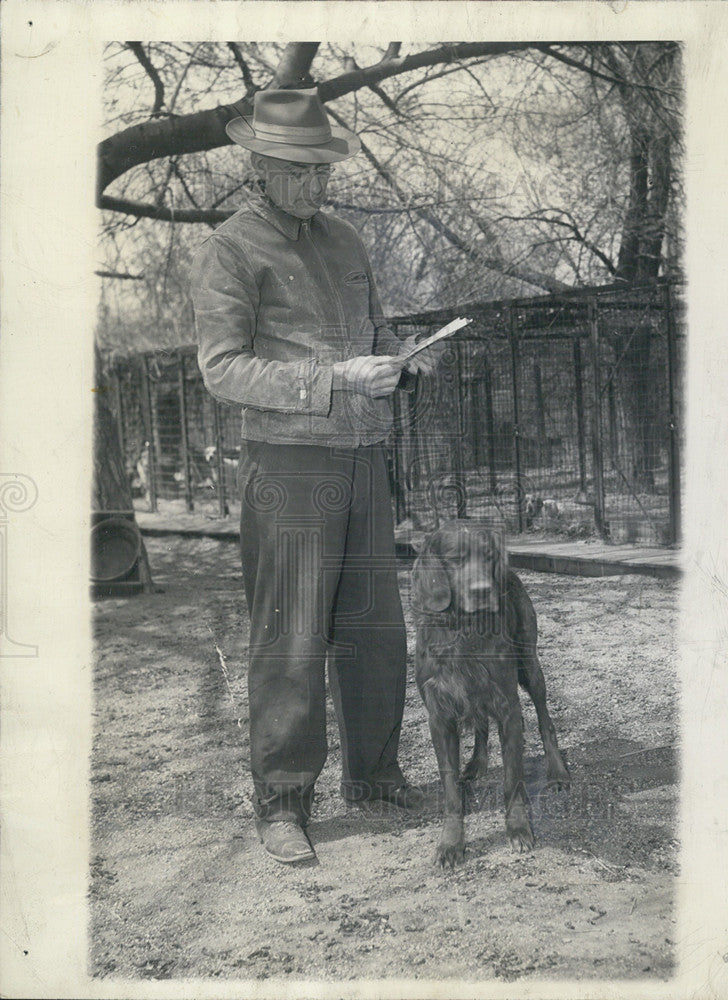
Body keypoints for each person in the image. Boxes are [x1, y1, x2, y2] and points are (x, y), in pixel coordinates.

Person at [190, 88, 440, 864]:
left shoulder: (345, 242)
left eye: (321, 170)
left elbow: (377, 333)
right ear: (259, 167)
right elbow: (222, 369)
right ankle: (284, 802)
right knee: (291, 637)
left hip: (365, 459)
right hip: (288, 468)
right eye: (297, 172)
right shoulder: (231, 248)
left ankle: (376, 774)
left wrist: (406, 360)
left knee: (374, 627)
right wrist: (333, 380)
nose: (314, 184)